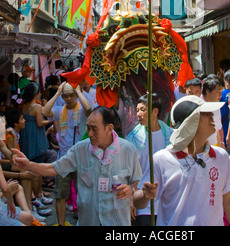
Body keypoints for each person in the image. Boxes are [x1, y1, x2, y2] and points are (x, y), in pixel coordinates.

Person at [12, 105, 142, 226]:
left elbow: (135, 179)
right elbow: (54, 168)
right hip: (88, 221)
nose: (89, 133)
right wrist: (28, 165)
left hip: (117, 222)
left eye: (94, 129)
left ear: (109, 129)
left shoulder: (128, 150)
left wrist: (131, 191)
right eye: (88, 128)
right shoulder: (80, 149)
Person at [133, 95, 230, 226]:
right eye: (206, 114)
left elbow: (229, 199)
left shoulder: (221, 157)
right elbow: (138, 202)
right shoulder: (162, 159)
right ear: (190, 122)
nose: (212, 117)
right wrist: (145, 195)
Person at [42, 81, 92, 225]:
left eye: (71, 95)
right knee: (60, 195)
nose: (68, 99)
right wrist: (57, 93)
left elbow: (89, 109)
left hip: (81, 159)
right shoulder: (58, 110)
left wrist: (79, 93)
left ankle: (83, 222)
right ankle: (61, 224)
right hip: (63, 158)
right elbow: (44, 112)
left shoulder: (81, 109)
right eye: (65, 96)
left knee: (83, 195)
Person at [126, 93, 173, 225]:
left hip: (166, 199)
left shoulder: (171, 136)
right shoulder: (133, 139)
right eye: (137, 110)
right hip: (143, 201)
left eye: (143, 110)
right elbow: (130, 171)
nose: (139, 114)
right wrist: (132, 200)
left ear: (155, 112)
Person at [19, 83, 53, 215]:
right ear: (36, 93)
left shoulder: (25, 106)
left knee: (30, 168)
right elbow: (40, 122)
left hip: (27, 138)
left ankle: (37, 195)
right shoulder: (37, 107)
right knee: (38, 170)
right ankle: (38, 196)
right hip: (36, 139)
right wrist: (50, 121)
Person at [201, 76, 224, 147]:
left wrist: (221, 144)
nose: (220, 95)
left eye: (221, 92)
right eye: (218, 92)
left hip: (215, 146)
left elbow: (218, 128)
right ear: (208, 91)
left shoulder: (217, 105)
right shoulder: (199, 106)